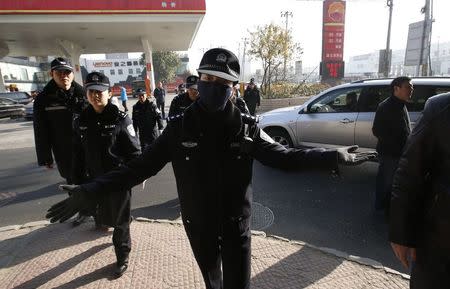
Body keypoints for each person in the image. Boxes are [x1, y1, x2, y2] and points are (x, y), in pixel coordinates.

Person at [46, 48, 376, 289]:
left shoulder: (247, 127)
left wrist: (330, 158)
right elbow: (138, 168)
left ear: (234, 86)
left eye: (221, 81)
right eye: (206, 78)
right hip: (198, 223)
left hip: (236, 225)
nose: (211, 85)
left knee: (237, 285)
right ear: (198, 81)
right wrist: (90, 189)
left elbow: (284, 156)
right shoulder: (178, 129)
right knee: (212, 281)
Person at [71, 72, 141, 277]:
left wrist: (132, 176)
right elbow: (77, 153)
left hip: (117, 179)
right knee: (102, 214)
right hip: (94, 180)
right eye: (91, 91)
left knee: (119, 221)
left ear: (109, 93)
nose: (95, 95)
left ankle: (122, 256)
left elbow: (135, 152)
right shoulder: (81, 120)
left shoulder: (120, 118)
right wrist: (76, 181)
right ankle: (113, 220)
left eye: (100, 92)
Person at [389, 92, 450, 288]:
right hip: (440, 239)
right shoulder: (441, 107)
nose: (411, 91)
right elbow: (410, 173)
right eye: (407, 87)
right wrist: (401, 233)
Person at [33, 57, 86, 183]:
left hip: (87, 148)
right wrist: (45, 157)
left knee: (92, 183)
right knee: (72, 182)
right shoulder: (43, 99)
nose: (64, 76)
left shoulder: (84, 94)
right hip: (63, 150)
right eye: (59, 73)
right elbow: (40, 130)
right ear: (51, 74)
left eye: (67, 72)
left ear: (73, 74)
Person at [372, 76, 413, 216]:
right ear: (396, 89)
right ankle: (382, 208)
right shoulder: (385, 107)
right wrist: (396, 145)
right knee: (386, 182)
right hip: (390, 154)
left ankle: (389, 209)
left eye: (411, 87)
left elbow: (406, 127)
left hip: (401, 152)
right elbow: (377, 130)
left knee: (396, 183)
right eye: (408, 87)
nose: (411, 89)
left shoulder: (402, 104)